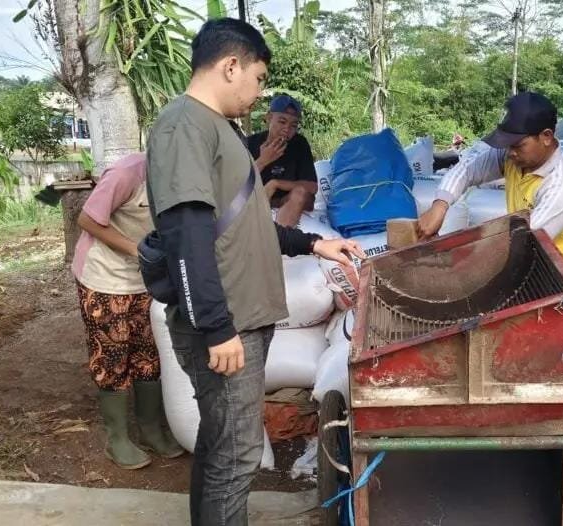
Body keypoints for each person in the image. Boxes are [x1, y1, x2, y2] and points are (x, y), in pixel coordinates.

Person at [145, 18, 365, 526]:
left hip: (240, 318)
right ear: (231, 66)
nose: (259, 91)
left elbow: (246, 226)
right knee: (238, 453)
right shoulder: (184, 126)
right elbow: (185, 233)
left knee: (223, 446)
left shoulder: (219, 130)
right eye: (259, 78)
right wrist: (217, 327)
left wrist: (313, 242)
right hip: (228, 323)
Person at [418, 91, 563, 290]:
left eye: (518, 145)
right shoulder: (513, 157)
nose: (510, 152)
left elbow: (527, 241)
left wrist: (457, 260)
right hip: (531, 270)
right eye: (507, 145)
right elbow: (468, 169)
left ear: (546, 136)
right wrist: (440, 206)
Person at [72, 153, 184, 470]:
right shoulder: (128, 173)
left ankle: (149, 429)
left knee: (149, 354)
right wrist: (138, 250)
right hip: (104, 277)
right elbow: (87, 219)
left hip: (147, 279)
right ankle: (117, 437)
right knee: (113, 355)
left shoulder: (186, 174)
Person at [245, 94, 317, 227]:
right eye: (282, 122)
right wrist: (263, 160)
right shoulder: (250, 143)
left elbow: (312, 187)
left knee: (300, 193)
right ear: (269, 118)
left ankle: (281, 239)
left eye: (293, 125)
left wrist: (275, 183)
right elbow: (237, 184)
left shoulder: (299, 144)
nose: (287, 129)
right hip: (257, 200)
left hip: (287, 200)